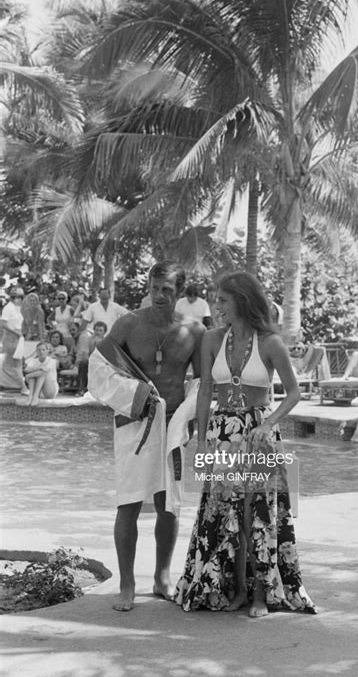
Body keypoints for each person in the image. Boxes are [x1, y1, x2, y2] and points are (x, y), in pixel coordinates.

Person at [174, 271, 316, 618]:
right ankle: (235, 590)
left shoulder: (270, 343)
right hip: (222, 434)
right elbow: (206, 389)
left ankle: (260, 595)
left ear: (242, 300)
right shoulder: (211, 339)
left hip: (257, 436)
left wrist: (268, 424)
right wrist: (204, 441)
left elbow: (293, 393)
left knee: (256, 514)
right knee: (226, 513)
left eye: (223, 300)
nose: (217, 306)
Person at [87, 262, 205, 612]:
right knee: (129, 503)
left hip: (171, 425)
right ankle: (127, 584)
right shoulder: (128, 323)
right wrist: (135, 395)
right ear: (149, 286)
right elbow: (98, 366)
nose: (160, 295)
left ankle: (161, 578)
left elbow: (201, 383)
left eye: (168, 290)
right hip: (134, 421)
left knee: (169, 505)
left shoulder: (194, 331)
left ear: (180, 292)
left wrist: (190, 417)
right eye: (156, 287)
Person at [0, 286, 28, 393]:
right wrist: (16, 332)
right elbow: (3, 324)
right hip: (11, 338)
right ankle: (22, 387)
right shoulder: (8, 308)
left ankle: (18, 386)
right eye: (14, 297)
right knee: (16, 363)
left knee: (16, 363)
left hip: (18, 337)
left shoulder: (17, 308)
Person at [24, 341, 59, 406]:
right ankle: (31, 396)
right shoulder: (34, 361)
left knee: (43, 374)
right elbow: (26, 369)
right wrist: (39, 367)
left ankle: (35, 396)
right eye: (39, 350)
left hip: (50, 390)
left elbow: (45, 370)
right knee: (35, 375)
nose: (41, 352)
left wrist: (29, 375)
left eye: (43, 350)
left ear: (47, 351)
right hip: (40, 391)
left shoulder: (52, 361)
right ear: (36, 351)